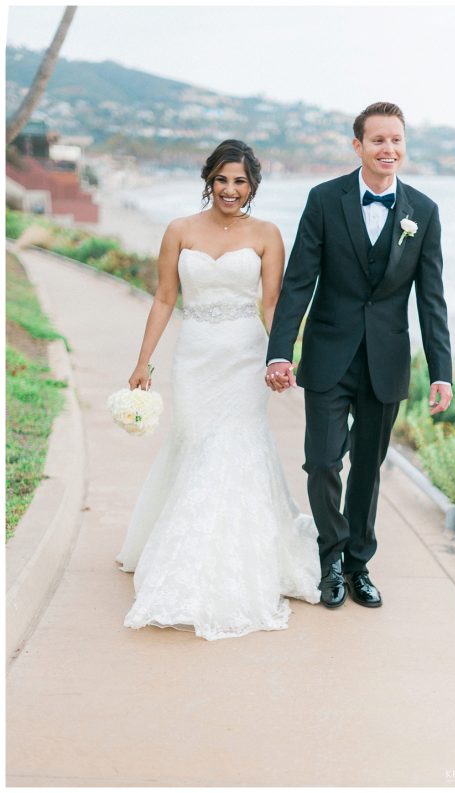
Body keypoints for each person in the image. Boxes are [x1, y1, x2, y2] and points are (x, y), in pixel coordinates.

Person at [116, 139, 321, 640]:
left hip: (245, 357)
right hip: (195, 357)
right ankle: (181, 545)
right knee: (194, 444)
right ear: (209, 180)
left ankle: (231, 557)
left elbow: (271, 304)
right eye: (222, 179)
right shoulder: (179, 230)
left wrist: (281, 356)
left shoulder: (267, 234)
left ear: (252, 186)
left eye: (240, 181)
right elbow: (165, 298)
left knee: (232, 447)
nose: (230, 189)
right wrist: (143, 361)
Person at [265, 102, 453, 610]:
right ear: (358, 146)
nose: (388, 149)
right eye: (378, 140)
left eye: (396, 140)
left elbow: (431, 299)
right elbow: (299, 281)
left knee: (368, 469)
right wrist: (280, 352)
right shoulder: (325, 199)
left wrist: (441, 372)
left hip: (386, 361)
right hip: (329, 354)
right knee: (322, 463)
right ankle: (330, 558)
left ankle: (357, 565)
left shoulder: (423, 211)